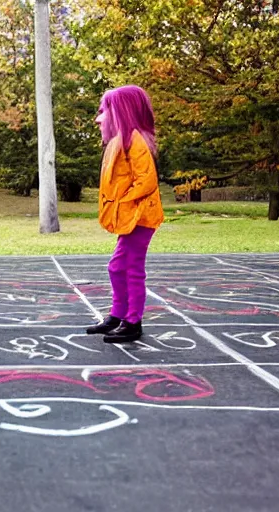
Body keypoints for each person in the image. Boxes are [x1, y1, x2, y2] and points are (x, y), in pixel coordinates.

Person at [86, 85, 164, 343]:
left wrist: (123, 202)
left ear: (122, 113)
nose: (98, 118)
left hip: (141, 217)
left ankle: (133, 321)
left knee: (131, 267)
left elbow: (146, 181)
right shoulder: (118, 142)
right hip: (131, 218)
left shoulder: (135, 141)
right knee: (116, 267)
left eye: (104, 112)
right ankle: (118, 315)